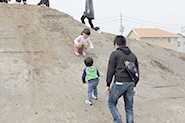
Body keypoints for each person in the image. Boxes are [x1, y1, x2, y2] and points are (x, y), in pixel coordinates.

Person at [106, 35, 139, 123]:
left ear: (116, 44)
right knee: (129, 107)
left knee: (111, 103)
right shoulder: (133, 56)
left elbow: (111, 70)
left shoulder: (115, 54)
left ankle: (118, 121)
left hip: (119, 83)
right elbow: (137, 71)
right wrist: (134, 84)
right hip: (131, 83)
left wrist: (108, 84)